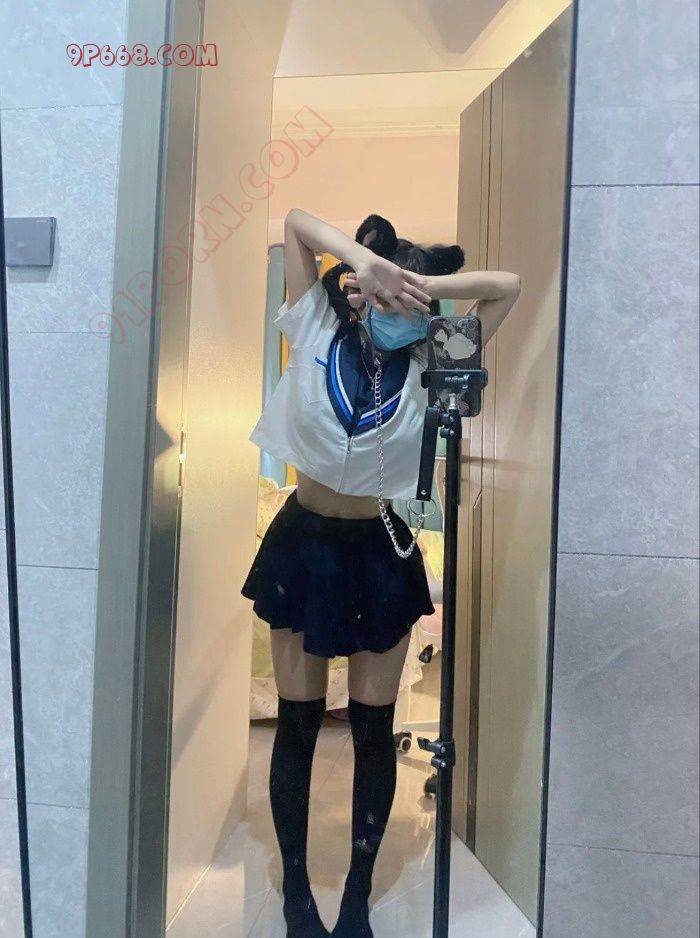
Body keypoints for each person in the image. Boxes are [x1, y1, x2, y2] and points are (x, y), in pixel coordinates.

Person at [241, 208, 521, 938]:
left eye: (409, 301)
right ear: (361, 290)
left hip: (377, 546)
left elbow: (508, 286)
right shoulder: (315, 326)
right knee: (298, 725)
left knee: (371, 729)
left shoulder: (437, 354)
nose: (397, 311)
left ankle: (357, 897)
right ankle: (296, 892)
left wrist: (424, 290)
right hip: (303, 543)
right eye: (386, 295)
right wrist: (365, 265)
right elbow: (297, 222)